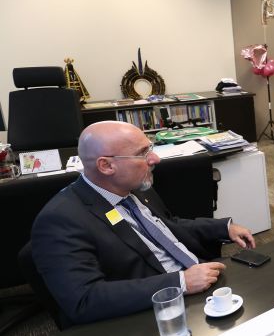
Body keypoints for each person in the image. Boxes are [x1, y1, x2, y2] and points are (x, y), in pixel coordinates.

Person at [30, 121, 255, 325]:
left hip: (202, 277)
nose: (155, 159)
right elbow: (84, 299)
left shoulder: (132, 186)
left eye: (150, 148)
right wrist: (180, 283)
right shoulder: (60, 220)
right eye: (142, 153)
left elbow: (168, 226)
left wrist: (223, 227)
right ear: (106, 166)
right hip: (158, 311)